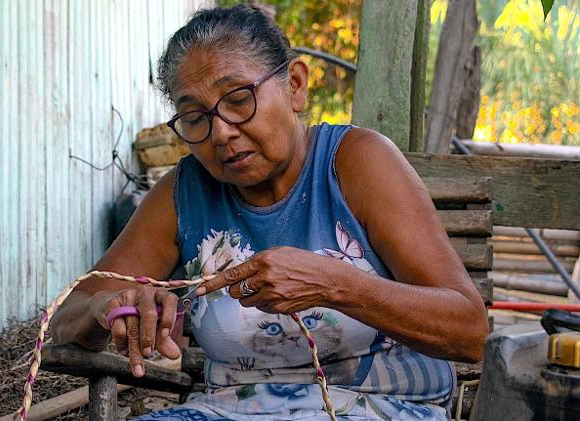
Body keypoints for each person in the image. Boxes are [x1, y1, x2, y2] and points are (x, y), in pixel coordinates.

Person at [51, 5, 488, 420]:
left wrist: (334, 285)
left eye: (238, 99)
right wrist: (108, 306)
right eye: (194, 117)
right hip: (231, 410)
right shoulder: (184, 193)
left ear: (294, 86)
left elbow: (469, 331)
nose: (220, 133)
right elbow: (70, 313)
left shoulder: (358, 163)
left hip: (379, 407)